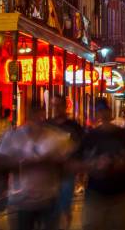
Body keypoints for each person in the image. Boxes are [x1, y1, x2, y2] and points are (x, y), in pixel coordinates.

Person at [0, 107, 73, 230]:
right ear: (28, 118)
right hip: (21, 201)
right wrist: (21, 163)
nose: (39, 121)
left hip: (49, 199)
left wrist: (52, 161)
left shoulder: (55, 137)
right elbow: (0, 161)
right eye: (35, 118)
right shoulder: (14, 136)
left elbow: (68, 165)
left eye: (41, 118)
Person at [73, 98, 125, 230]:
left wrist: (123, 164)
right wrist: (94, 165)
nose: (102, 114)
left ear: (110, 112)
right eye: (100, 111)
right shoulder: (90, 137)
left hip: (121, 194)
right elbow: (73, 164)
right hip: (95, 194)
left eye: (105, 110)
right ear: (97, 114)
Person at [48, 95, 84, 230]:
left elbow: (81, 147)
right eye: (53, 105)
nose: (55, 108)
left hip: (66, 173)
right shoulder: (47, 125)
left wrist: (80, 170)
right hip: (49, 175)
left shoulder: (73, 126)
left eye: (58, 105)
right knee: (50, 210)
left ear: (64, 106)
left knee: (64, 208)